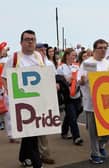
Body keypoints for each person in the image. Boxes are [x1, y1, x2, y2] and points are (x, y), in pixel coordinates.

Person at [2, 30, 43, 168]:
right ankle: (38, 163)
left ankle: (23, 157)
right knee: (31, 133)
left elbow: (44, 77)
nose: (30, 42)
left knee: (31, 133)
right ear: (21, 42)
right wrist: (11, 95)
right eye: (27, 39)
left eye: (32, 39)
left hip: (37, 101)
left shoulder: (38, 57)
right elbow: (5, 78)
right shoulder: (13, 58)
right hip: (21, 102)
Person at [77, 39, 109, 164]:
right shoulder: (88, 63)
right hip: (91, 102)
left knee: (108, 128)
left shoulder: (107, 63)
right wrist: (82, 79)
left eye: (105, 48)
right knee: (94, 131)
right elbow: (80, 81)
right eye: (100, 48)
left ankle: (101, 146)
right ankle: (95, 153)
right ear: (95, 49)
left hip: (106, 101)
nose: (103, 50)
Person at [57, 48, 83, 145]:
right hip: (68, 96)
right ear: (67, 55)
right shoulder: (61, 68)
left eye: (75, 55)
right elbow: (58, 81)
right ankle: (76, 137)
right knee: (72, 117)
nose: (74, 57)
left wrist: (80, 80)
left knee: (74, 113)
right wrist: (67, 79)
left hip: (77, 94)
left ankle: (64, 131)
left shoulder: (76, 66)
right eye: (73, 55)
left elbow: (80, 78)